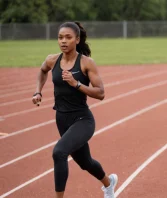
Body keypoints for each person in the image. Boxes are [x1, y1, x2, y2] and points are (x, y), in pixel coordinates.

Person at [32, 22, 117, 198]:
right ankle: (109, 183)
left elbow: (100, 93)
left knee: (59, 152)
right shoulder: (52, 60)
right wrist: (38, 91)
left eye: (68, 37)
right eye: (60, 37)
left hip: (82, 120)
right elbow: (42, 71)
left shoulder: (86, 63)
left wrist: (76, 84)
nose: (63, 41)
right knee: (85, 162)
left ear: (77, 40)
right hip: (62, 119)